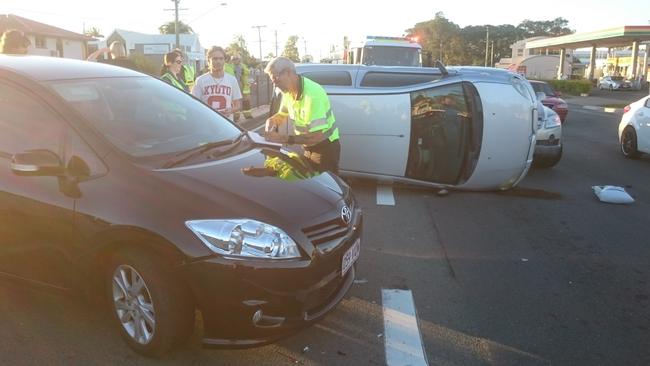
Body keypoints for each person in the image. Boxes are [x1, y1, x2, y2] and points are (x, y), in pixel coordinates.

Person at [264, 57, 341, 174]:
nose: (274, 83)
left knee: (325, 187)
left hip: (325, 148)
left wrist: (283, 138)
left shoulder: (313, 95)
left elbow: (316, 136)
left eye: (275, 78)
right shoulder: (288, 92)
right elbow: (282, 114)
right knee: (310, 184)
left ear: (288, 73)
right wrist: (272, 121)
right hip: (308, 148)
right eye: (272, 80)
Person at [192, 46, 242, 120]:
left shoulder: (232, 80)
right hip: (207, 123)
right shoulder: (200, 80)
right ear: (209, 61)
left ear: (224, 60)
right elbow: (194, 104)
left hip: (226, 124)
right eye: (214, 59)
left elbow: (238, 105)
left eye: (221, 58)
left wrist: (231, 110)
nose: (218, 61)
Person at [225, 53, 253, 121]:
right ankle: (236, 116)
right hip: (234, 86)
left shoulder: (243, 66)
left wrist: (243, 69)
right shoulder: (230, 66)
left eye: (236, 59)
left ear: (239, 59)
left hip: (244, 87)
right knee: (235, 102)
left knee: (246, 102)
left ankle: (248, 115)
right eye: (233, 59)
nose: (235, 60)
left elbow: (247, 72)